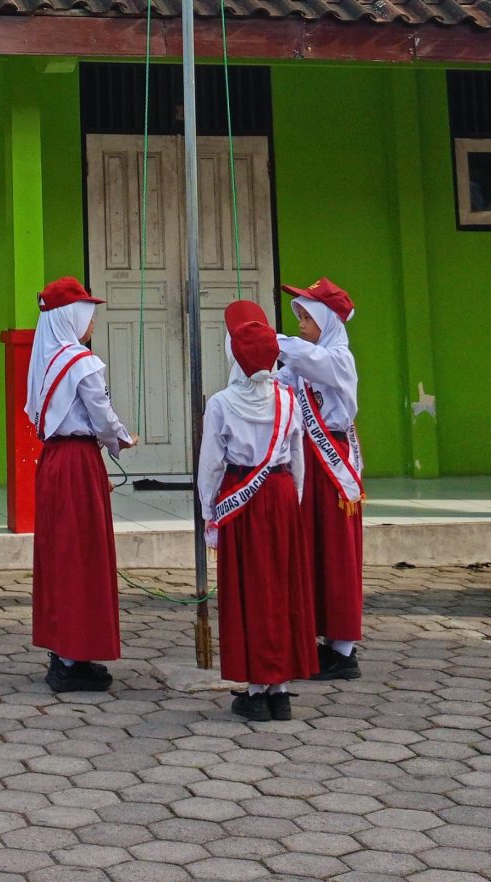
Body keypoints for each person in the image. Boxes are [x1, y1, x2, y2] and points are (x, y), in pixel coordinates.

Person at [199, 300, 315, 721]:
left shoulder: (221, 403)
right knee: (282, 588)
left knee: (249, 589)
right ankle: (280, 690)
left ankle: (254, 690)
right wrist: (293, 499)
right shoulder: (286, 398)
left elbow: (211, 464)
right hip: (281, 493)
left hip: (242, 498)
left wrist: (210, 514)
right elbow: (297, 458)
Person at [23, 274, 134, 693]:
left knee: (60, 552)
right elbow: (102, 414)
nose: (92, 322)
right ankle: (73, 658)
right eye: (88, 313)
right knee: (81, 554)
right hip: (79, 464)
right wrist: (122, 438)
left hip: (53, 461)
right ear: (71, 315)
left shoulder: (44, 360)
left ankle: (64, 649)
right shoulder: (82, 362)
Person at [277, 277, 364, 679]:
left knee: (335, 550)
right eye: (298, 316)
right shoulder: (307, 357)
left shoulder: (336, 358)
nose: (300, 323)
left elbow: (301, 359)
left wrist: (263, 335)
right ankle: (314, 635)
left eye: (307, 317)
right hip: (304, 459)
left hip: (330, 464)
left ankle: (343, 649)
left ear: (327, 321)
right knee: (310, 547)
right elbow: (283, 385)